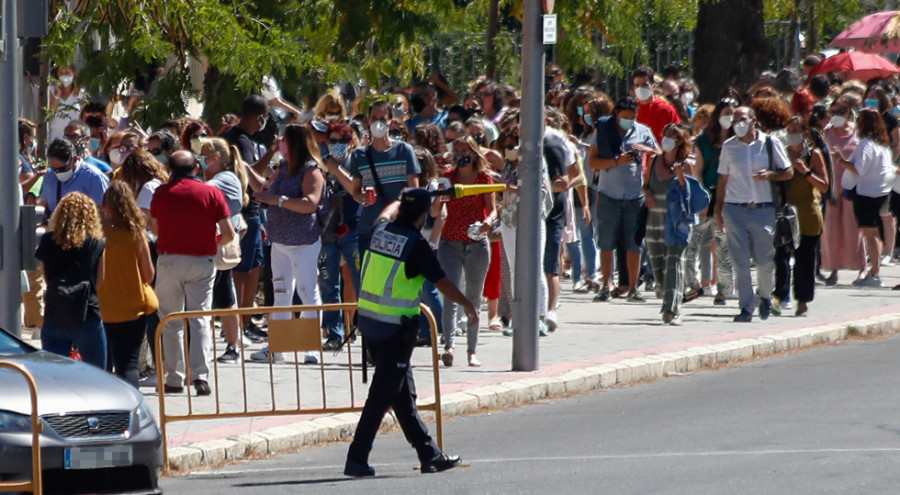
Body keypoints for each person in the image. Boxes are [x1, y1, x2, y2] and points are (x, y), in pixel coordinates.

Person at [344, 189, 472, 478]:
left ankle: (429, 455)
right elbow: (443, 283)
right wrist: (468, 306)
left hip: (370, 326)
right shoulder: (416, 245)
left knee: (402, 395)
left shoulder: (381, 231)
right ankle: (356, 458)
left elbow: (384, 213)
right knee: (381, 397)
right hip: (394, 332)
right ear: (424, 216)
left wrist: (400, 199)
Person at [150, 150, 235, 396]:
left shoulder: (161, 194)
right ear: (196, 168)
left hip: (169, 260)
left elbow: (154, 226)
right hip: (202, 261)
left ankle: (175, 378)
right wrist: (211, 241)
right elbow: (228, 234)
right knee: (200, 320)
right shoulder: (212, 192)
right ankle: (201, 376)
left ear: (170, 170)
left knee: (170, 321)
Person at [250, 124, 329, 364]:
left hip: (303, 242)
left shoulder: (311, 170)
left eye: (284, 140)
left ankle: (311, 346)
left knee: (307, 292)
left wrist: (278, 200)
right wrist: (247, 168)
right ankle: (277, 347)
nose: (281, 143)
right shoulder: (283, 167)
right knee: (281, 293)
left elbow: (310, 203)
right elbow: (262, 186)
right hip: (280, 242)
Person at [714, 106, 793, 322]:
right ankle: (746, 307)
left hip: (763, 210)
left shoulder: (769, 143)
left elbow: (788, 171)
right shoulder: (729, 147)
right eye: (735, 119)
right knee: (740, 263)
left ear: (753, 121)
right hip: (735, 209)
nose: (738, 123)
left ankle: (765, 296)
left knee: (764, 262)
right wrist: (718, 210)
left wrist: (770, 174)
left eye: (743, 119)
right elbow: (722, 180)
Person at [433, 136, 497, 367]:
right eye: (457, 149)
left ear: (474, 153)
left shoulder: (484, 178)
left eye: (465, 150)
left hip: (477, 243)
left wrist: (487, 223)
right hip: (450, 242)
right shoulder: (448, 179)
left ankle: (471, 350)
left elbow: (492, 210)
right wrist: (439, 193)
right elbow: (435, 211)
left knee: (473, 297)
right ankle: (448, 346)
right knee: (450, 295)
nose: (461, 154)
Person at [589, 97, 659, 303]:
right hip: (608, 195)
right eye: (624, 117)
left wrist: (646, 151)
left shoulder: (643, 131)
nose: (628, 120)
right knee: (606, 242)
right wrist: (616, 161)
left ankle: (633, 287)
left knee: (634, 244)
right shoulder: (603, 131)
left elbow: (659, 154)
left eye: (632, 117)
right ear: (616, 114)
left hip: (634, 196)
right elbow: (593, 162)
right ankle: (605, 285)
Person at [36, 191, 107, 369]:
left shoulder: (46, 241)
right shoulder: (96, 243)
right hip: (87, 313)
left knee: (55, 378)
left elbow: (46, 277)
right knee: (97, 376)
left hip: (55, 312)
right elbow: (100, 281)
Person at [644, 123, 705, 324]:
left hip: (676, 223)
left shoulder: (686, 165)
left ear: (681, 142)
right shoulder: (653, 160)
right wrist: (647, 194)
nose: (667, 139)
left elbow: (693, 197)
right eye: (666, 135)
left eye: (672, 137)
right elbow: (645, 185)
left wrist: (681, 179)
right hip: (654, 221)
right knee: (658, 268)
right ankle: (669, 296)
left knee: (674, 265)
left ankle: (671, 311)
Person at [98, 182, 156, 387]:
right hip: (132, 309)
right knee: (128, 366)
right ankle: (133, 412)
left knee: (101, 368)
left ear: (104, 206)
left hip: (101, 310)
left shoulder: (96, 234)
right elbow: (148, 276)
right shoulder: (137, 234)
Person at [199, 137, 251, 364]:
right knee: (220, 296)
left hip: (219, 245)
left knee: (224, 297)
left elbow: (200, 190)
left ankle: (233, 347)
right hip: (209, 245)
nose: (200, 159)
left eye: (203, 155)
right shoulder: (214, 177)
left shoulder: (226, 178)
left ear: (216, 157)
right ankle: (225, 346)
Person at [773, 116, 828, 316]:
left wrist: (805, 172)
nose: (793, 134)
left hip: (808, 215)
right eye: (790, 130)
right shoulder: (783, 154)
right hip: (786, 215)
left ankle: (802, 301)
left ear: (806, 133)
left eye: (797, 130)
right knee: (781, 257)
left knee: (805, 260)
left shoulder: (814, 155)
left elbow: (824, 185)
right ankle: (779, 296)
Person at [686, 98, 740, 305]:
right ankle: (695, 284)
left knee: (723, 245)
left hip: (731, 197)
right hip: (708, 196)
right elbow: (698, 171)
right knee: (695, 244)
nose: (729, 118)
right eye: (725, 114)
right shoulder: (703, 141)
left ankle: (723, 289)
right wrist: (701, 199)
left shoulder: (739, 141)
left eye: (732, 114)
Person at [348, 100, 421, 252]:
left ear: (390, 122)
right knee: (368, 275)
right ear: (368, 121)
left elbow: (415, 190)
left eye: (382, 119)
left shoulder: (404, 150)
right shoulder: (359, 155)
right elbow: (355, 190)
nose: (377, 123)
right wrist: (361, 197)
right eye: (374, 119)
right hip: (369, 230)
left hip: (398, 230)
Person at [833, 107, 895, 288]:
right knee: (873, 232)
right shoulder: (883, 144)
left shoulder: (866, 144)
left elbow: (859, 169)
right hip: (881, 191)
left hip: (867, 193)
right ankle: (874, 271)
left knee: (870, 233)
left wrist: (840, 159)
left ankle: (874, 273)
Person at [821, 96, 866, 285]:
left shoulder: (857, 133)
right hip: (831, 187)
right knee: (830, 230)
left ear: (848, 112)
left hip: (852, 188)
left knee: (853, 228)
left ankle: (861, 268)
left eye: (840, 111)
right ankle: (833, 269)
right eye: (833, 112)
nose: (836, 115)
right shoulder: (826, 132)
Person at [41, 138, 110, 214]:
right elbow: (45, 205)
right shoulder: (50, 175)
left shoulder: (94, 177)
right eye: (54, 169)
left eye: (62, 169)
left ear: (74, 159)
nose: (57, 173)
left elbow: (104, 213)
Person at [631, 66, 681, 144]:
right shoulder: (630, 110)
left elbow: (679, 138)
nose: (640, 88)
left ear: (653, 86)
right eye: (637, 85)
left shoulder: (666, 110)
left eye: (644, 85)